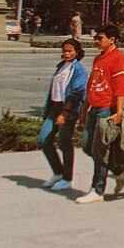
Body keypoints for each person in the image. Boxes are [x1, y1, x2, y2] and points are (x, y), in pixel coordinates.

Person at [75, 25, 124, 204]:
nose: (96, 41)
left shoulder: (119, 59)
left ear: (112, 39)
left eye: (99, 38)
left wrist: (119, 111)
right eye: (96, 38)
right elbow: (90, 85)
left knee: (100, 152)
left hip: (106, 110)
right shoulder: (98, 59)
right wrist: (84, 110)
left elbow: (120, 88)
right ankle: (120, 171)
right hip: (94, 108)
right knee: (87, 145)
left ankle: (97, 190)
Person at [39, 39, 87, 191]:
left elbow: (77, 93)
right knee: (43, 140)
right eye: (64, 50)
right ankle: (58, 172)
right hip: (54, 108)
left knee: (64, 143)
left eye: (70, 51)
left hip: (68, 109)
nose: (66, 53)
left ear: (77, 52)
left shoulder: (79, 69)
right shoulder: (61, 66)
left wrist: (65, 114)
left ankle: (67, 178)